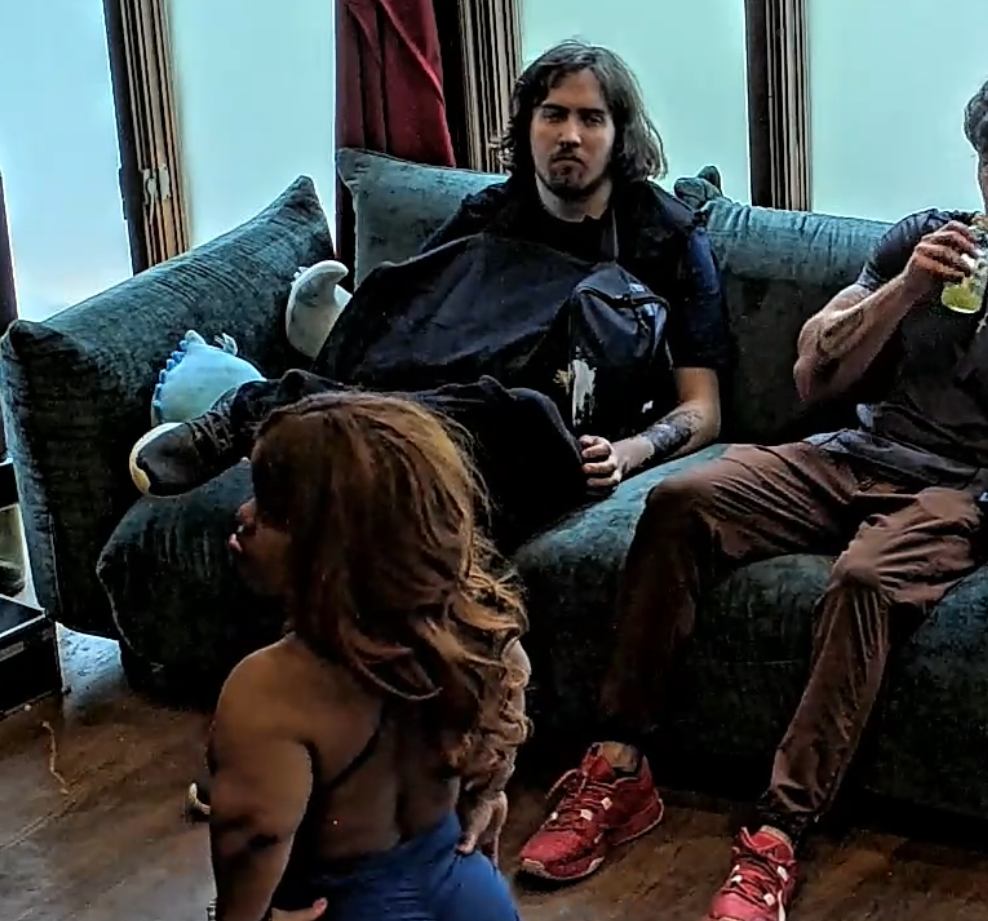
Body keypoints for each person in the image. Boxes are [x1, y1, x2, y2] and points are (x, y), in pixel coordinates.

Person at [513, 66, 988, 921]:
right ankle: (618, 764)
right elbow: (812, 372)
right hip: (851, 451)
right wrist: (906, 288)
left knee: (863, 580)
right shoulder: (925, 239)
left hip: (956, 490)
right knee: (682, 498)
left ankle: (775, 835)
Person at [133, 39, 730, 545]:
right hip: (427, 412)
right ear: (528, 128)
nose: (569, 135)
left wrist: (629, 452)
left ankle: (276, 415)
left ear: (619, 135)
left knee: (520, 414)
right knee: (400, 423)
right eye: (553, 115)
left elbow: (703, 409)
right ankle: (273, 425)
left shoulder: (668, 235)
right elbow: (400, 315)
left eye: (591, 119)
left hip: (537, 439)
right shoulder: (489, 216)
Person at [205, 393, 530, 921]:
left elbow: (255, 833)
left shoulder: (271, 687)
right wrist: (489, 789)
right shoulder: (471, 633)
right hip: (476, 912)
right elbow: (513, 673)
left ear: (331, 549)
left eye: (270, 511)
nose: (243, 517)